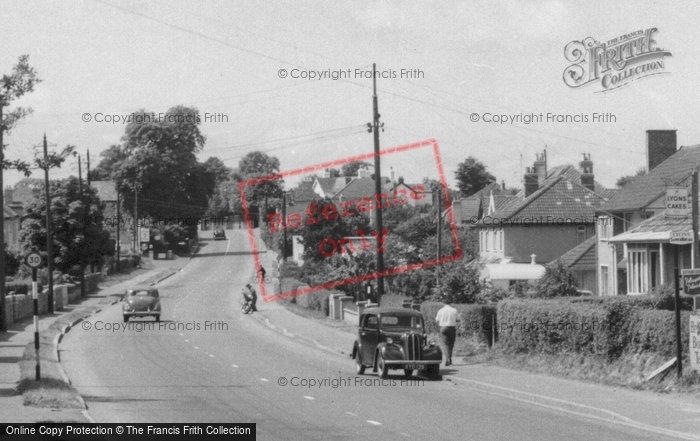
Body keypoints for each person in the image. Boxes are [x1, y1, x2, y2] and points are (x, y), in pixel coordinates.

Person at [435, 300, 458, 366]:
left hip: (443, 328)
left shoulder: (440, 310)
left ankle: (447, 359)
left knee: (445, 344)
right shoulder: (454, 310)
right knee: (451, 344)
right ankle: (449, 359)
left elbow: (436, 320)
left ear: (443, 303)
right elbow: (458, 319)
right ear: (450, 303)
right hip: (452, 328)